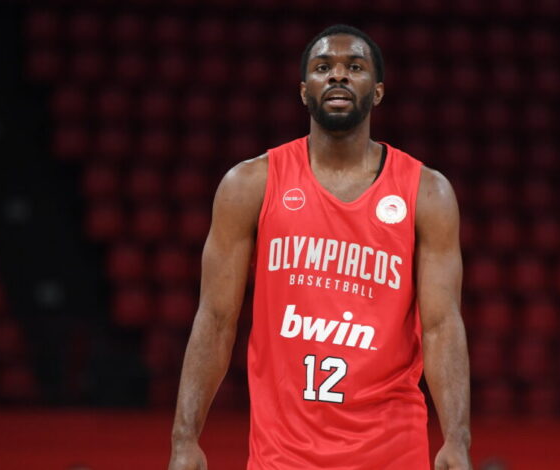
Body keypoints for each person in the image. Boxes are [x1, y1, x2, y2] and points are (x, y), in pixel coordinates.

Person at [168, 24, 471, 470]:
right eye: (323, 67)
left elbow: (442, 326)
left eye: (355, 67)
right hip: (283, 455)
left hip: (392, 450)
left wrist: (457, 438)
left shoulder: (427, 192)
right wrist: (184, 438)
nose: (338, 75)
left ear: (378, 92)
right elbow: (215, 319)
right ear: (304, 91)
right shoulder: (250, 184)